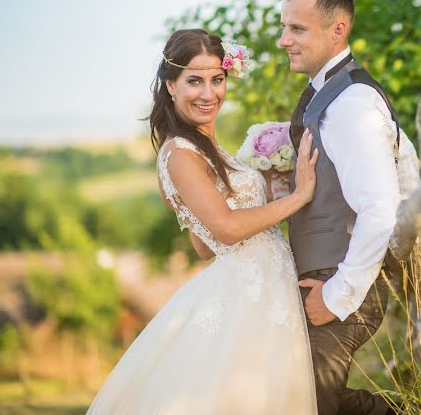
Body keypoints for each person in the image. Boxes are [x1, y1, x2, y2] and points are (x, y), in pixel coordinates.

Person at [87, 29, 319, 414]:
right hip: (244, 300)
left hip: (262, 295)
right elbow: (226, 229)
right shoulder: (180, 153)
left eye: (217, 79)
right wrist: (299, 197)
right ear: (171, 86)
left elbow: (201, 246)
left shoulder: (205, 147)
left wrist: (267, 187)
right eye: (194, 81)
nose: (209, 94)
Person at [279, 0, 401, 415]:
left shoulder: (352, 103)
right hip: (325, 273)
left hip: (345, 280)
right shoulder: (331, 94)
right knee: (304, 397)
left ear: (337, 31)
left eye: (297, 29)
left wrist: (336, 295)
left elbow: (381, 209)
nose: (283, 40)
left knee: (314, 399)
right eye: (284, 27)